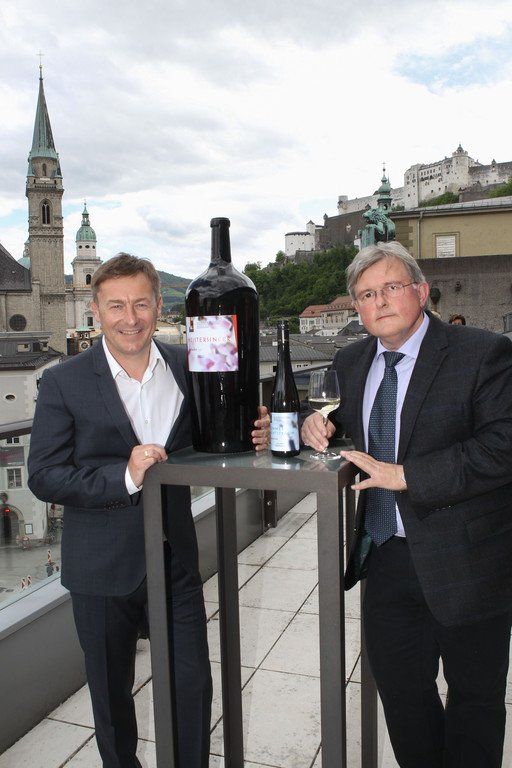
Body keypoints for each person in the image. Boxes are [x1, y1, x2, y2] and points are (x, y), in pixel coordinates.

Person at [28, 253, 270, 768]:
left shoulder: (191, 362)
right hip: (99, 567)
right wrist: (125, 475)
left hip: (175, 558)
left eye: (141, 303)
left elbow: (224, 425)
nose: (130, 317)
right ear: (95, 310)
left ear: (160, 305)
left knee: (192, 687)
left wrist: (255, 431)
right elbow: (44, 475)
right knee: (112, 700)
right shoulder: (63, 380)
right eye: (116, 305)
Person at [302, 241, 512, 768]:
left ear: (420, 291)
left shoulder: (481, 352)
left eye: (391, 287)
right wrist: (318, 425)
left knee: (475, 700)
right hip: (385, 555)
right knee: (402, 696)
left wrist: (407, 476)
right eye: (366, 294)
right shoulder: (351, 361)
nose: (379, 301)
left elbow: (502, 446)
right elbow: (348, 421)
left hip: (468, 560)